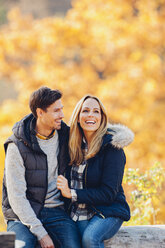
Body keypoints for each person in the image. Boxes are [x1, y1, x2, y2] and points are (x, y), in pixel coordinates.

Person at [2, 87, 81, 248]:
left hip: (56, 212)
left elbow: (94, 135)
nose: (62, 115)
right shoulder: (16, 146)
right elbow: (17, 198)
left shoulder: (66, 136)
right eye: (56, 110)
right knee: (23, 246)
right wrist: (41, 233)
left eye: (62, 109)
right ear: (40, 113)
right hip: (22, 216)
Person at [57, 95, 134, 248]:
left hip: (108, 211)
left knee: (90, 238)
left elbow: (108, 193)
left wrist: (71, 193)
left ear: (102, 118)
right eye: (85, 111)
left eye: (96, 111)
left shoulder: (112, 149)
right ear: (78, 118)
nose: (91, 115)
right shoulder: (71, 146)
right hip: (77, 212)